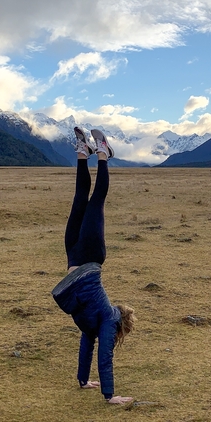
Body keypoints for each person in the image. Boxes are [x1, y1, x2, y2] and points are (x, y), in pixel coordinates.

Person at [51, 127, 135, 405]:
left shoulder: (92, 325)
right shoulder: (109, 320)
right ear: (120, 326)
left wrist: (84, 381)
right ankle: (103, 153)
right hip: (90, 259)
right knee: (95, 201)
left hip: (74, 259)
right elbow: (105, 357)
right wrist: (110, 396)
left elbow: (88, 348)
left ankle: (81, 153)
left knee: (79, 200)